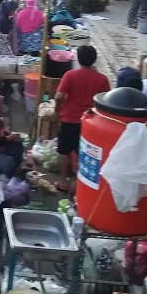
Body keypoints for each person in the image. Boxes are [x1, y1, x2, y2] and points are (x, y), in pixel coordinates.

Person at [54, 45, 110, 192]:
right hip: (90, 122)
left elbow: (59, 96)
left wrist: (57, 109)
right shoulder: (102, 79)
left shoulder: (70, 75)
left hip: (69, 119)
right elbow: (106, 101)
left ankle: (63, 181)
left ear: (78, 59)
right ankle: (79, 183)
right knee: (85, 152)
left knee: (64, 150)